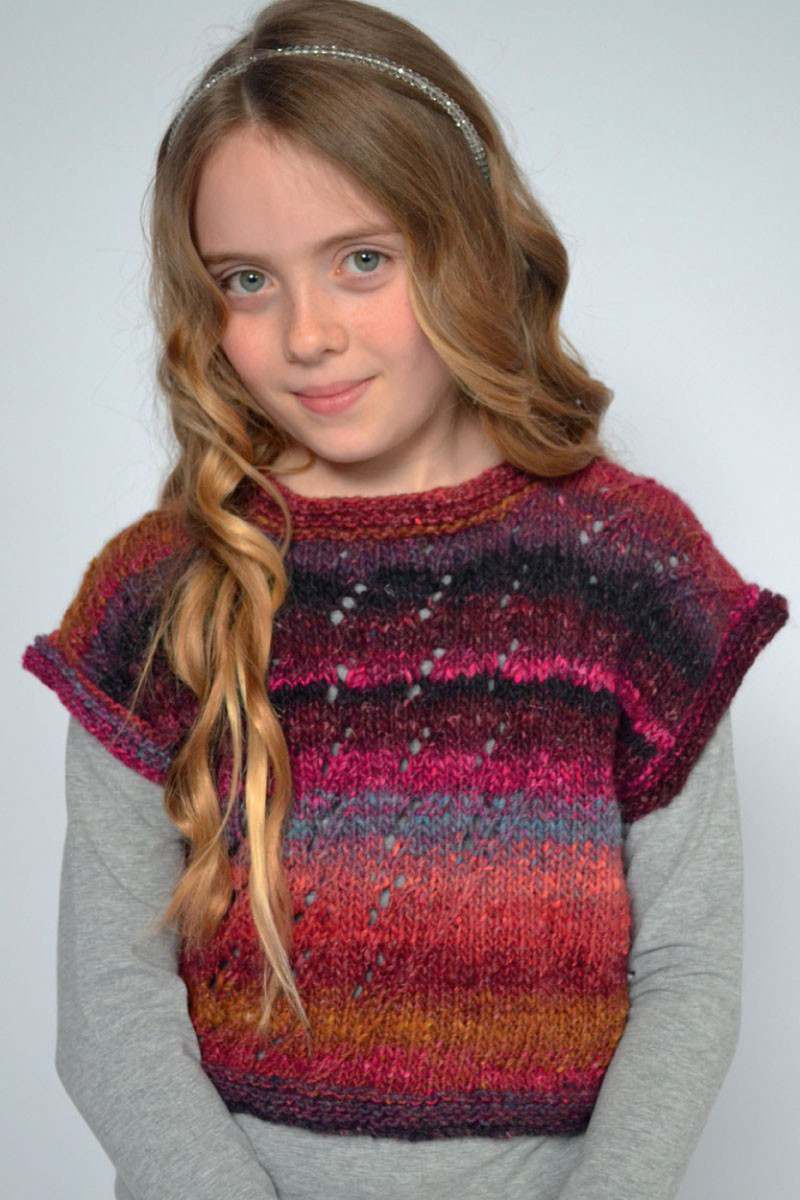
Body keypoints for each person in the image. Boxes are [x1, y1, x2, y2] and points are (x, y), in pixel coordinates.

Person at [21, 2, 789, 1198]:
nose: (308, 334)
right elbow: (108, 1003)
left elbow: (688, 973)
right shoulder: (162, 590)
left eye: (361, 261)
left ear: (466, 242)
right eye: (247, 281)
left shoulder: (628, 568)